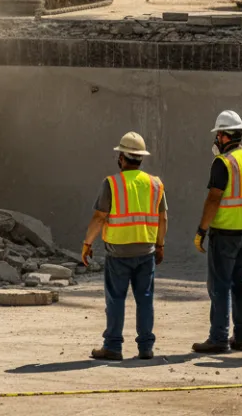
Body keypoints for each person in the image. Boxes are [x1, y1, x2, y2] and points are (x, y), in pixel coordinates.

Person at [82, 132, 168, 361]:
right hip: (146, 252)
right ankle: (146, 347)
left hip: (118, 253)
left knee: (116, 299)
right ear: (141, 158)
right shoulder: (155, 184)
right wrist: (160, 246)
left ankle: (112, 346)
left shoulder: (112, 183)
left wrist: (87, 243)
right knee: (145, 299)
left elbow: (100, 217)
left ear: (121, 157)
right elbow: (163, 218)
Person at [192, 110, 242, 354]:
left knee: (220, 285)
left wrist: (202, 230)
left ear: (223, 136)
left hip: (224, 233)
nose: (217, 140)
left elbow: (213, 199)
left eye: (218, 135)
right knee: (241, 284)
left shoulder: (223, 162)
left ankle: (219, 338)